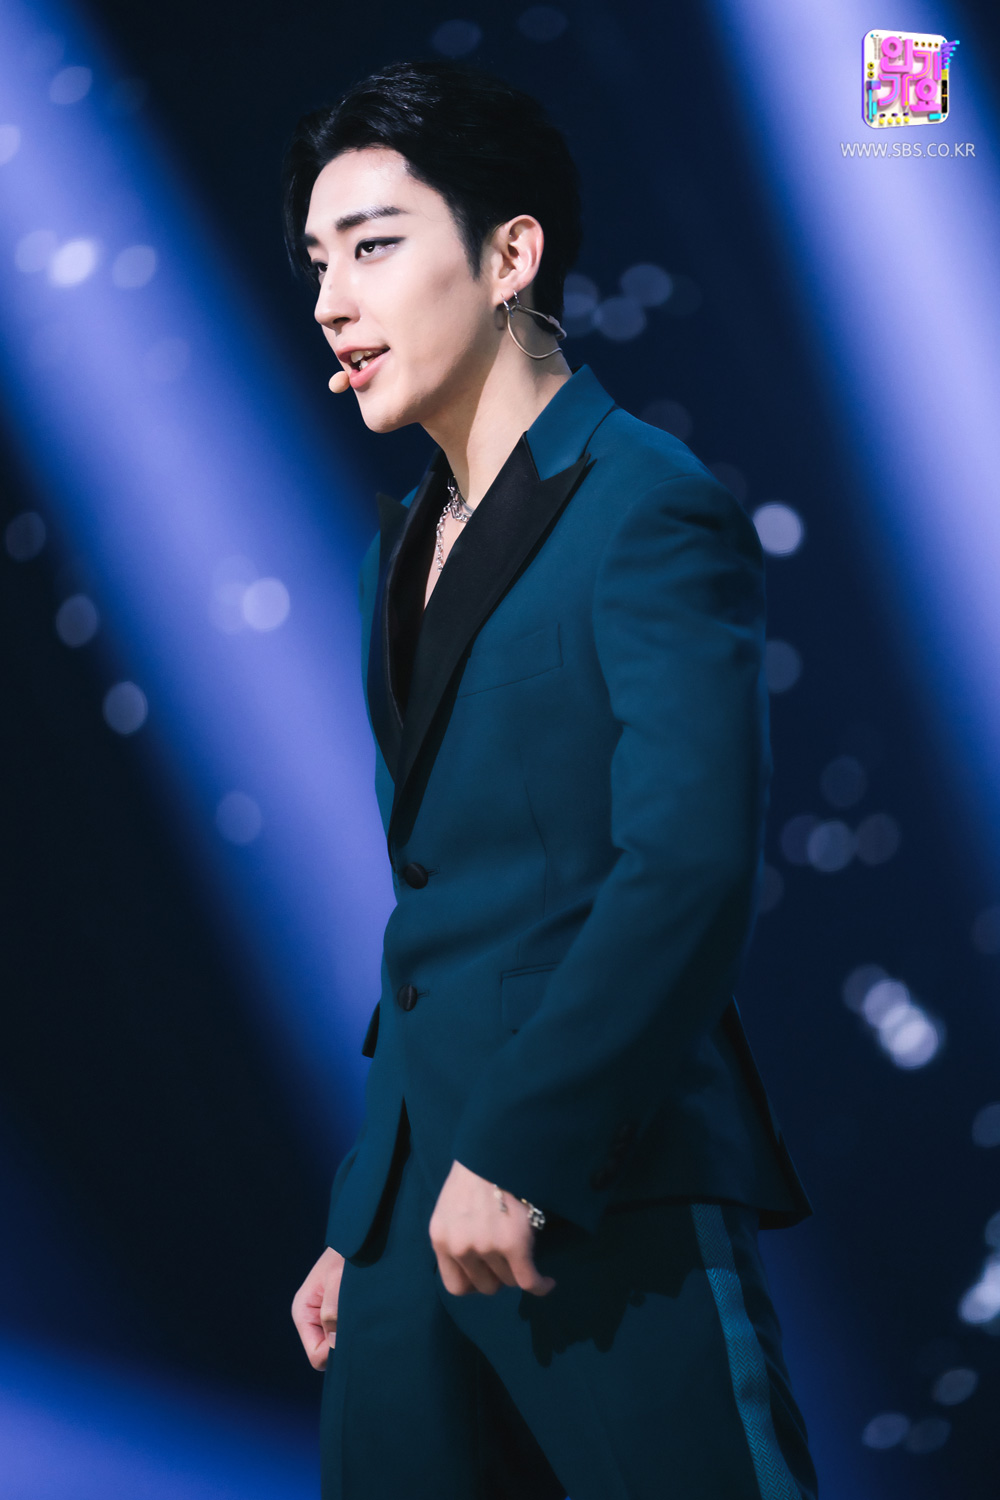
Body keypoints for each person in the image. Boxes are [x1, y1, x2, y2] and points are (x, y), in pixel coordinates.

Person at [283, 57, 819, 1500]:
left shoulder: (648, 505)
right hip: (407, 1219)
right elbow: (439, 910)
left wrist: (527, 1146)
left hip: (592, 1176)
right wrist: (365, 1209)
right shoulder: (397, 549)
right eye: (319, 261)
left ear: (511, 254)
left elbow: (687, 865)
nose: (330, 300)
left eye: (372, 247)